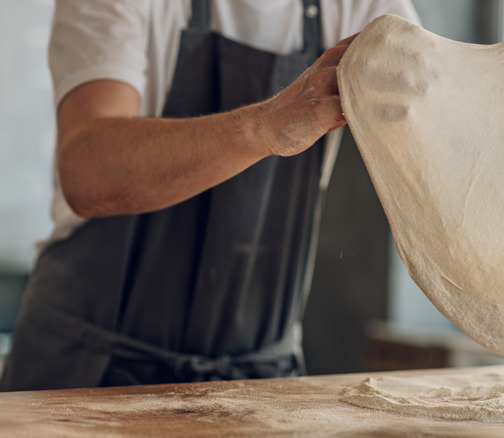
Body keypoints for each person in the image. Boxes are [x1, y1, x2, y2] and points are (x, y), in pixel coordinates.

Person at [0, 0, 418, 391]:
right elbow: (87, 170)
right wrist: (266, 126)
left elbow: (437, 107)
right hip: (88, 373)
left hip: (257, 382)